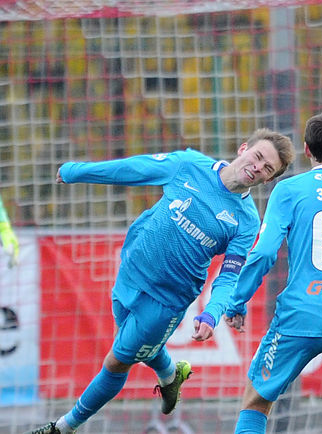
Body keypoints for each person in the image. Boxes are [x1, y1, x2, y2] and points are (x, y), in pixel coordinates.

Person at [29, 129, 295, 434]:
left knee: (117, 361)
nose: (258, 167)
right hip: (131, 270)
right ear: (243, 148)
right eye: (258, 156)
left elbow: (229, 276)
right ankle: (170, 375)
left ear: (268, 180)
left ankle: (63, 427)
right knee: (131, 344)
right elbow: (133, 169)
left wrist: (212, 312)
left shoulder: (246, 221)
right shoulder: (188, 165)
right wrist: (76, 172)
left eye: (267, 168)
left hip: (167, 301)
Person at [198, 113, 322, 434]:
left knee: (256, 401)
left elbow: (264, 253)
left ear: (307, 149)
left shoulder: (290, 189)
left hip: (300, 315)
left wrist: (237, 301)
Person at [0, 192, 20, 268]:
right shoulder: (10, 237)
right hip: (4, 223)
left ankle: (13, 259)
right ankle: (13, 259)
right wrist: (15, 258)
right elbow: (15, 246)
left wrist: (14, 258)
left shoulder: (7, 238)